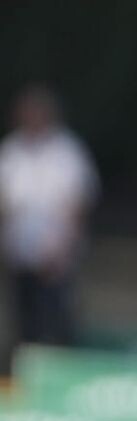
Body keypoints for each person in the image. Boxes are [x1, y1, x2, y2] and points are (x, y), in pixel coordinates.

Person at [0, 85, 96, 374]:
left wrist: (61, 249)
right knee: (22, 324)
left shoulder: (67, 152)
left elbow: (78, 203)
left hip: (56, 257)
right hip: (19, 256)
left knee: (55, 323)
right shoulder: (11, 151)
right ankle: (21, 378)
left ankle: (58, 379)